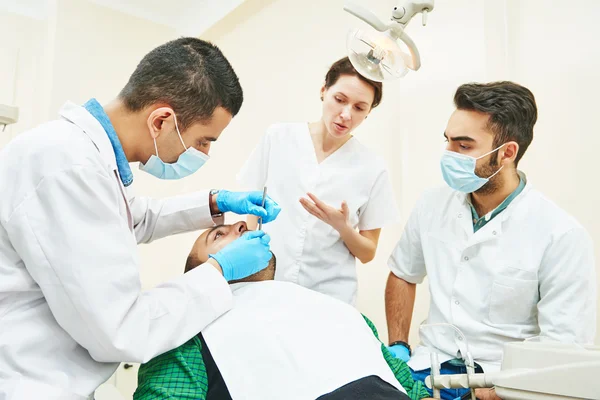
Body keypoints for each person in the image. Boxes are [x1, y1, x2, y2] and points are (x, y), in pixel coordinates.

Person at [0, 37, 281, 399]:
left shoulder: (86, 161)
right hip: (26, 382)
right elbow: (121, 331)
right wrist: (218, 272)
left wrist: (216, 202)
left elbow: (131, 219)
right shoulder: (68, 167)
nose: (204, 154)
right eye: (203, 142)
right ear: (162, 120)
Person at [385, 81, 597, 400]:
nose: (449, 155)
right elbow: (403, 274)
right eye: (448, 142)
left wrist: (494, 392)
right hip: (427, 367)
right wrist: (399, 346)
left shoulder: (560, 235)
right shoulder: (431, 205)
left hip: (501, 381)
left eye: (464, 146)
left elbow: (561, 350)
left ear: (507, 153)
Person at [134, 221, 432, 400]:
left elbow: (415, 392)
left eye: (241, 227)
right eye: (218, 235)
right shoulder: (186, 333)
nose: (242, 225)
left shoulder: (343, 313)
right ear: (200, 272)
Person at [237, 56, 399, 305]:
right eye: (340, 100)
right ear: (324, 90)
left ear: (368, 113)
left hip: (329, 298)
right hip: (265, 285)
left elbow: (367, 253)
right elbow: (248, 208)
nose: (346, 115)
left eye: (359, 108)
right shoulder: (279, 137)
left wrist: (343, 227)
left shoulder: (372, 168)